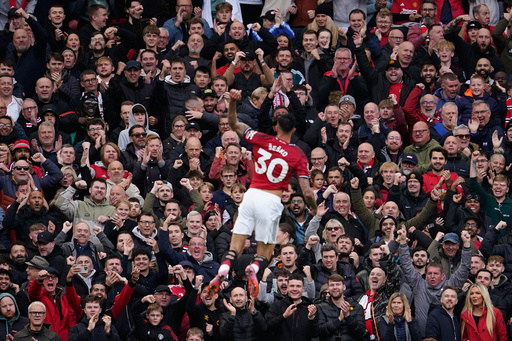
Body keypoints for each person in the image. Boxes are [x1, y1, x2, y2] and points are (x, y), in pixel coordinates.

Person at [207, 89, 316, 298]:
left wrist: (233, 103)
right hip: (271, 200)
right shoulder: (298, 155)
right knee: (265, 251)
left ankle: (224, 268)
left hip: (251, 196)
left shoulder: (260, 138)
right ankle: (255, 269)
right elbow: (306, 190)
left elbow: (234, 123)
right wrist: (313, 207)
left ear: (275, 127)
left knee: (235, 245)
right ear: (293, 128)